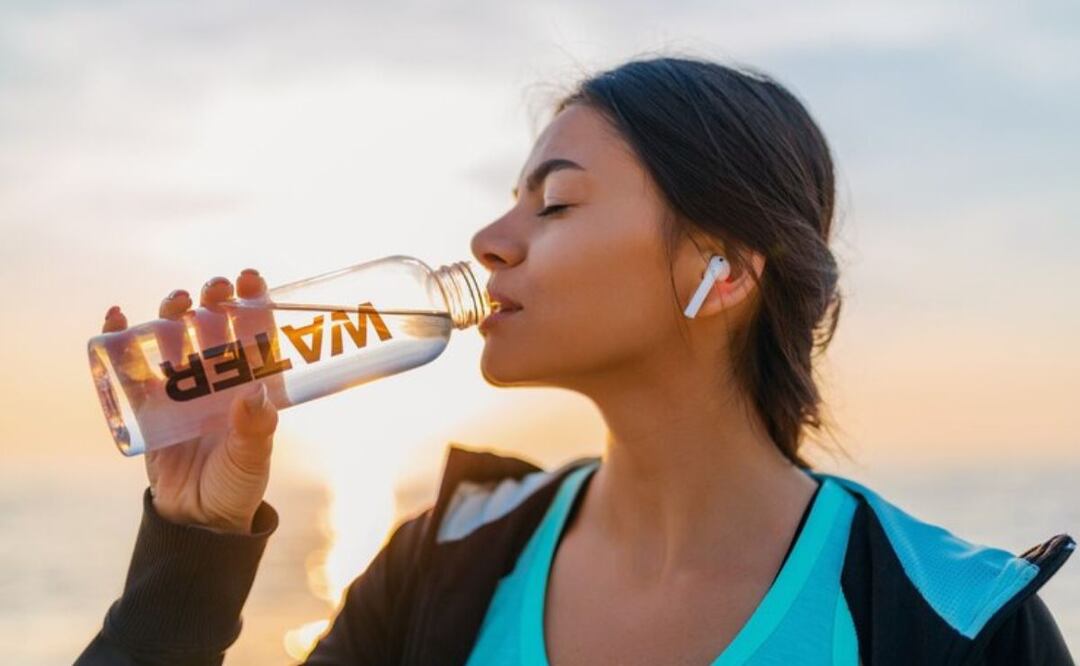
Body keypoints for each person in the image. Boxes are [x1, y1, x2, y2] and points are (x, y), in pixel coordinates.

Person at [75, 56, 1075, 665]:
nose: (490, 239)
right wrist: (191, 550)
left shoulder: (951, 628)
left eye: (553, 202)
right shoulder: (442, 568)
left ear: (719, 272)